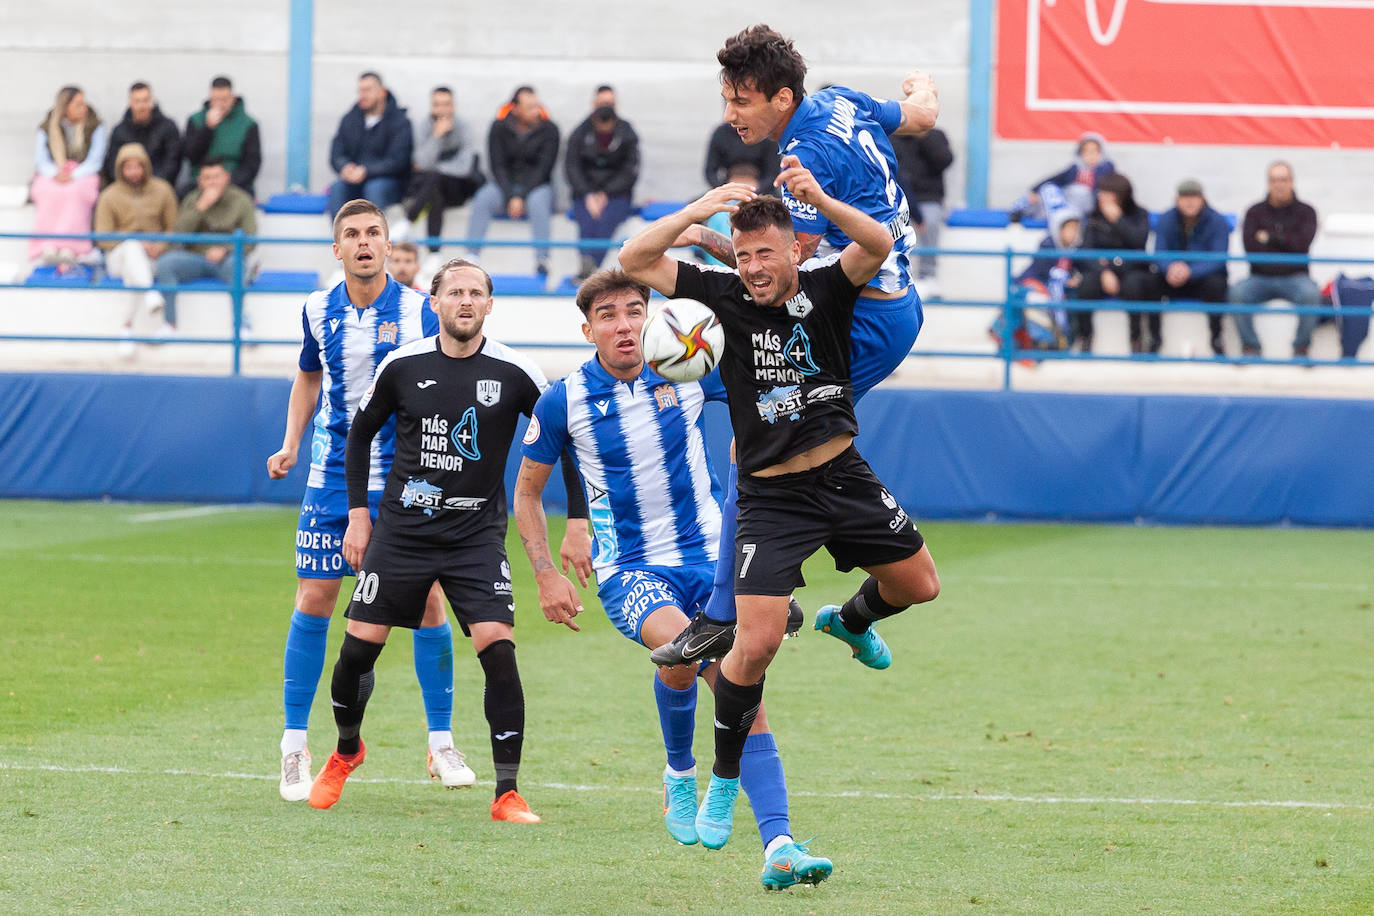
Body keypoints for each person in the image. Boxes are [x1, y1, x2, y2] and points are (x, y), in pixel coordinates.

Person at [620, 166, 940, 861]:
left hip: (843, 476)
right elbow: (635, 261)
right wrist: (697, 209)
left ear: (796, 249)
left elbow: (879, 241)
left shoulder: (827, 285)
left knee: (920, 586)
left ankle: (850, 621)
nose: (754, 267)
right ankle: (724, 780)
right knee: (755, 644)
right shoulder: (721, 295)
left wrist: (821, 202)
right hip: (770, 498)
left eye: (765, 253)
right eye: (742, 255)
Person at [511, 270, 824, 889]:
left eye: (634, 311)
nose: (624, 325)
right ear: (588, 329)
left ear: (652, 316)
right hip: (630, 567)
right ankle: (736, 811)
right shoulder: (565, 398)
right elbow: (525, 492)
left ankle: (733, 809)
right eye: (609, 316)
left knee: (694, 668)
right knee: (720, 669)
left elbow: (763, 391)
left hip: (713, 556)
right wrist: (546, 573)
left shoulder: (688, 366)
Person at [649, 24, 939, 669]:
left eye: (742, 101)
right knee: (764, 433)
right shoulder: (842, 100)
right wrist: (920, 86)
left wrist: (709, 244)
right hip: (891, 305)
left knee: (752, 440)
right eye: (727, 100)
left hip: (860, 320)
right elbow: (921, 116)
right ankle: (847, 616)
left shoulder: (802, 157)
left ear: (781, 98)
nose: (730, 116)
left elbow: (779, 273)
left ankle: (725, 612)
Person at [306, 257, 555, 824]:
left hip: (475, 536)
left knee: (498, 650)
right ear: (435, 302)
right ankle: (347, 750)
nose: (465, 301)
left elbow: (558, 433)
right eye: (454, 292)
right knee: (356, 652)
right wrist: (359, 516)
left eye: (476, 293)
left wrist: (579, 523)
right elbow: (358, 438)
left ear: (489, 305)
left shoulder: (516, 371)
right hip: (402, 533)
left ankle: (507, 793)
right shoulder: (402, 364)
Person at [265, 199, 474, 803]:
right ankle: (294, 746)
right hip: (333, 475)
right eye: (351, 234)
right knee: (314, 595)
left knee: (430, 600)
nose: (363, 242)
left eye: (373, 233)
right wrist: (290, 443)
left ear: (388, 244)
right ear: (337, 249)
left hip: (412, 475)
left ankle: (440, 744)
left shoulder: (418, 311)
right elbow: (310, 375)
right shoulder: (315, 308)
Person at [465, 86, 560, 278]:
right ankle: (471, 257)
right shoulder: (498, 127)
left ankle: (542, 259)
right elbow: (497, 166)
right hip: (504, 185)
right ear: (515, 109)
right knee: (484, 197)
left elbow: (543, 169)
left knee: (538, 202)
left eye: (537, 105)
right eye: (530, 107)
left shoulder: (550, 129)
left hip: (536, 185)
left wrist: (520, 196)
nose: (536, 111)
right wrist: (512, 195)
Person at [1229, 161, 1321, 358]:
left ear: (1292, 182)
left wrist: (1269, 238)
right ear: (1268, 183)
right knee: (1237, 294)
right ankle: (1251, 347)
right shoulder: (1254, 211)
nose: (1279, 184)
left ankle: (1301, 348)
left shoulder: (1307, 211)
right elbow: (1251, 250)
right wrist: (1288, 244)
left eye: (1284, 179)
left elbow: (1302, 245)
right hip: (1260, 277)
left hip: (1296, 277)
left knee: (1312, 295)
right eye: (1274, 180)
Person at [92, 143, 179, 350]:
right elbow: (102, 237)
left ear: (146, 167)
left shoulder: (163, 190)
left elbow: (174, 228)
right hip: (118, 256)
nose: (133, 172)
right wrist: (134, 240)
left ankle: (126, 329)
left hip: (153, 257)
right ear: (120, 170)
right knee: (132, 249)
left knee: (136, 273)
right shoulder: (109, 196)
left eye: (138, 166)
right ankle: (149, 292)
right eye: (128, 167)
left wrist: (159, 246)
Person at [154, 159, 257, 333]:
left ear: (227, 178)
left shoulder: (242, 200)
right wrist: (201, 207)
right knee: (166, 263)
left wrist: (225, 250)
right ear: (200, 181)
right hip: (195, 258)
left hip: (227, 259)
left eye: (216, 177)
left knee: (236, 265)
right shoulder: (192, 199)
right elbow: (178, 235)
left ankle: (241, 325)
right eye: (206, 178)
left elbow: (250, 238)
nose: (211, 182)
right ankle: (169, 324)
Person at [1138, 179, 1231, 357]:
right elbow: (1160, 251)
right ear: (1177, 200)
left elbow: (1218, 258)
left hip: (1203, 279)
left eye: (1194, 197)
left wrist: (1191, 271)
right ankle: (1154, 339)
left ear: (1202, 199)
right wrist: (1170, 268)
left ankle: (1217, 339)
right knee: (1150, 282)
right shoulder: (1167, 218)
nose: (1189, 202)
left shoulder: (1216, 221)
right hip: (1172, 277)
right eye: (1185, 197)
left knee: (1217, 285)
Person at [565, 85, 640, 280]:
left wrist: (606, 193)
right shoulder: (580, 132)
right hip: (585, 193)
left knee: (608, 217)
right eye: (602, 104)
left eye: (610, 104)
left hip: (617, 194)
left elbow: (630, 170)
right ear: (593, 105)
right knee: (587, 218)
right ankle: (587, 265)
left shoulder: (626, 132)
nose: (606, 108)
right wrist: (588, 194)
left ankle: (591, 266)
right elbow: (571, 167)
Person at [1074, 173, 1151, 353]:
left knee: (1135, 285)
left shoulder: (1139, 214)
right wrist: (1104, 271)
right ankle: (1085, 337)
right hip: (1103, 271)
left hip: (1131, 270)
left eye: (1108, 193)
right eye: (1101, 193)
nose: (1102, 198)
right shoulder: (1093, 217)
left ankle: (1136, 339)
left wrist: (1118, 220)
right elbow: (1085, 251)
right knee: (1086, 285)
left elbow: (1139, 243)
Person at [402, 86, 484, 253]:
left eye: (446, 104)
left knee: (434, 178)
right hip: (432, 189)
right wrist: (437, 137)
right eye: (437, 104)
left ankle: (409, 221)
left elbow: (464, 167)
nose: (441, 109)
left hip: (457, 187)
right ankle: (434, 253)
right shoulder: (424, 127)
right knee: (435, 192)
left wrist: (436, 169)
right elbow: (420, 163)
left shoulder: (464, 129)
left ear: (453, 106)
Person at [29, 85, 106, 264]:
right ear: (65, 107)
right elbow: (41, 160)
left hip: (83, 173)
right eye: (78, 105)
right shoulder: (47, 126)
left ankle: (72, 247)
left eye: (83, 104)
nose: (83, 108)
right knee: (49, 191)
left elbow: (95, 159)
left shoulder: (95, 124)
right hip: (54, 173)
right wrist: (55, 173)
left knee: (75, 193)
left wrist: (74, 175)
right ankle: (48, 245)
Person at [991, 207, 1080, 353]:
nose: (1073, 234)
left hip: (1044, 288)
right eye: (1069, 229)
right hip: (1031, 284)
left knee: (1041, 299)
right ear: (1058, 229)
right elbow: (1044, 272)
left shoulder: (1073, 251)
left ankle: (1045, 340)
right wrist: (1063, 280)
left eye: (1076, 230)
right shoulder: (1048, 245)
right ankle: (1014, 336)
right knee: (1032, 297)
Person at [327, 72, 413, 220]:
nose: (363, 95)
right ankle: (341, 240)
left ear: (382, 92)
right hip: (355, 181)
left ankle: (372, 239)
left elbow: (398, 161)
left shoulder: (400, 122)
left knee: (375, 188)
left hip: (389, 182)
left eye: (368, 90)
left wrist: (366, 171)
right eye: (360, 90)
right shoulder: (350, 119)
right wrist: (345, 167)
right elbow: (337, 152)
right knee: (337, 188)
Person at [891, 126, 954, 300]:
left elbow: (944, 160)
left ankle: (928, 275)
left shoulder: (935, 136)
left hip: (928, 197)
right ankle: (896, 275)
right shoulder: (892, 138)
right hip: (897, 197)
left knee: (931, 221)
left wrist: (924, 137)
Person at [182, 76, 261, 198]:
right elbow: (192, 156)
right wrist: (208, 129)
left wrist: (227, 181)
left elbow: (252, 164)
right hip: (201, 181)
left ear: (233, 99)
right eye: (216, 100)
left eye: (224, 100)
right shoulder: (195, 120)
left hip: (235, 182)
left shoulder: (248, 124)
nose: (220, 105)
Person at [1008, 132, 1114, 223]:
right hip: (1067, 204)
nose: (1091, 155)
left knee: (1079, 191)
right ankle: (1019, 210)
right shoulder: (1075, 169)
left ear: (1102, 152)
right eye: (1086, 151)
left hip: (1089, 208)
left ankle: (1056, 218)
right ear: (1080, 154)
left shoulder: (1106, 168)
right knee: (1047, 190)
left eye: (1095, 151)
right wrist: (1035, 190)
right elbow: (1055, 178)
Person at [100, 82, 182, 187]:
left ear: (151, 101)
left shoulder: (168, 127)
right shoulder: (119, 131)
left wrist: (153, 185)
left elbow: (172, 162)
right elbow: (113, 164)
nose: (142, 106)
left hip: (159, 187)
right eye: (137, 101)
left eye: (145, 100)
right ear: (130, 103)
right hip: (126, 188)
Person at [703, 121, 778, 194]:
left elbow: (773, 172)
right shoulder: (721, 133)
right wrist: (724, 188)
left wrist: (757, 189)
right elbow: (710, 171)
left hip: (761, 188)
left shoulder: (766, 134)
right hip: (729, 187)